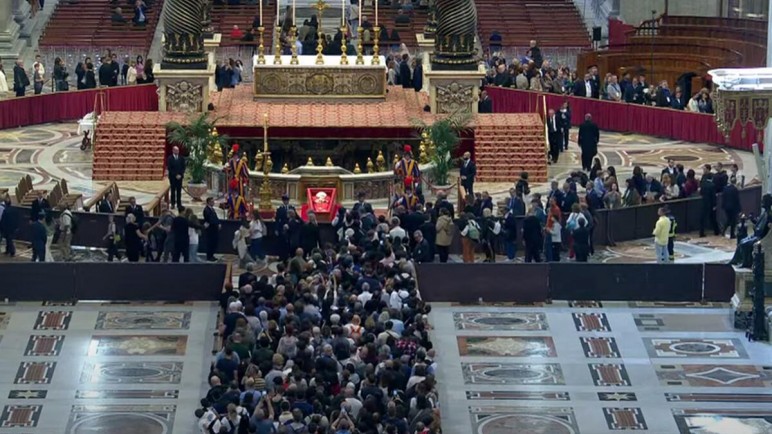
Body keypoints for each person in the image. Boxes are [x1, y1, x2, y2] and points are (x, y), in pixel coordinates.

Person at [699, 168, 720, 237]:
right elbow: (713, 196)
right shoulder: (712, 185)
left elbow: (701, 193)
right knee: (713, 218)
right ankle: (716, 231)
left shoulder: (703, 184)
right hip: (710, 204)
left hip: (703, 203)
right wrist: (714, 205)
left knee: (703, 218)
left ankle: (701, 232)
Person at [167, 146, 186, 210]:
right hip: (173, 177)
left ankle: (179, 204)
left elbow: (183, 167)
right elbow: (170, 168)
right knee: (173, 191)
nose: (177, 151)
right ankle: (172, 204)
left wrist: (180, 175)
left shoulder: (181, 158)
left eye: (178, 150)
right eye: (175, 150)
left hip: (180, 177)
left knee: (179, 191)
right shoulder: (170, 158)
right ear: (173, 151)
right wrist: (175, 175)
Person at [203, 197, 221, 262]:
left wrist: (218, 223)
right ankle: (209, 256)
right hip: (211, 229)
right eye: (212, 201)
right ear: (209, 202)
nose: (213, 203)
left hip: (214, 229)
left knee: (214, 243)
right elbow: (210, 219)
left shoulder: (212, 209)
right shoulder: (206, 210)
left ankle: (212, 255)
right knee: (210, 243)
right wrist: (216, 224)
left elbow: (215, 217)